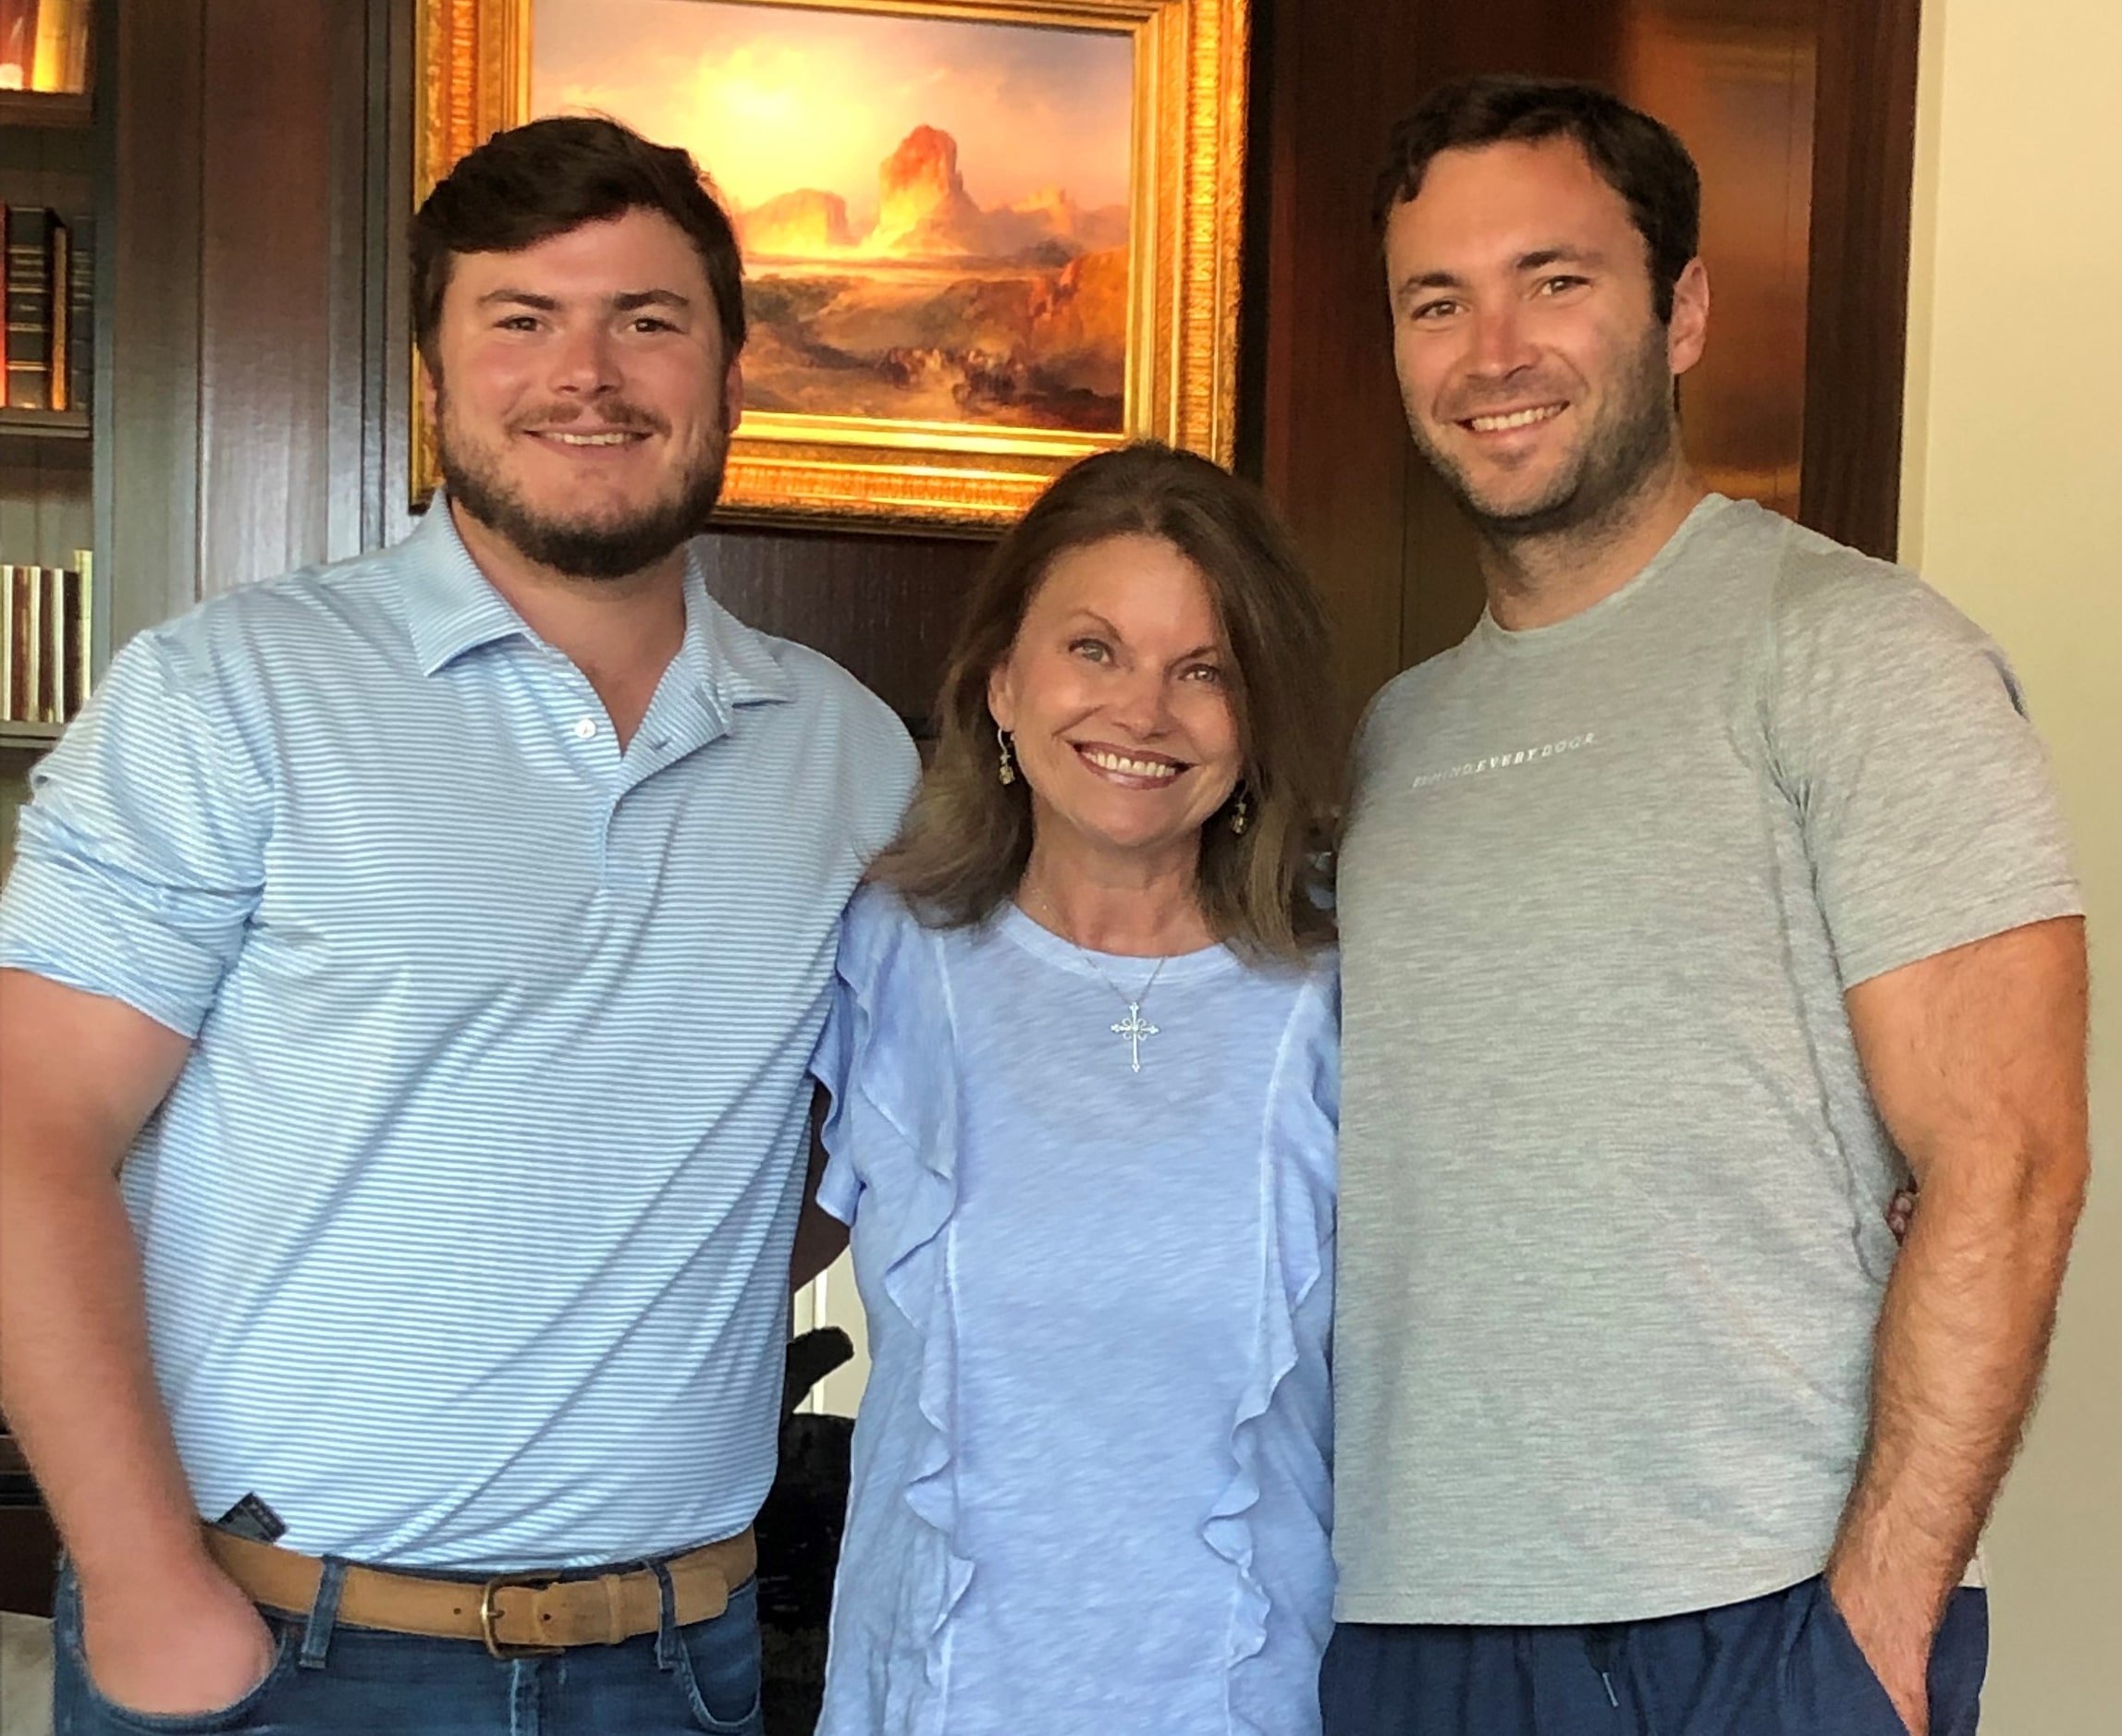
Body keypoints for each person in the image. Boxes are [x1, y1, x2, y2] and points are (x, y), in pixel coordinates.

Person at [0, 116, 917, 1733]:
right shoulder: (235, 689)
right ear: (433, 368)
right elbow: (29, 1131)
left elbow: (837, 1153)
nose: (590, 371)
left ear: (727, 371)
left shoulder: (846, 749)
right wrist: (143, 1584)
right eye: (521, 318)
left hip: (675, 1657)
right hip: (282, 1644)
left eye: (647, 317)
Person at [1321, 76, 2090, 1736]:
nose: (1493, 348)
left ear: (1681, 312)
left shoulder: (1857, 653)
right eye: (1435, 301)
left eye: (1556, 279)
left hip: (1742, 1627)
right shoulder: (1397, 737)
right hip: (1407, 1624)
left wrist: (1869, 1641)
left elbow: (2010, 1159)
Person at [806, 442, 1341, 1736]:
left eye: (1202, 668)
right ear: (1002, 678)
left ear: (1256, 711)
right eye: (1093, 649)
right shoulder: (881, 952)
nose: (1143, 710)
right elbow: (722, 1254)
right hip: (932, 1699)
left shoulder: (1347, 988)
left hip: (1255, 1701)